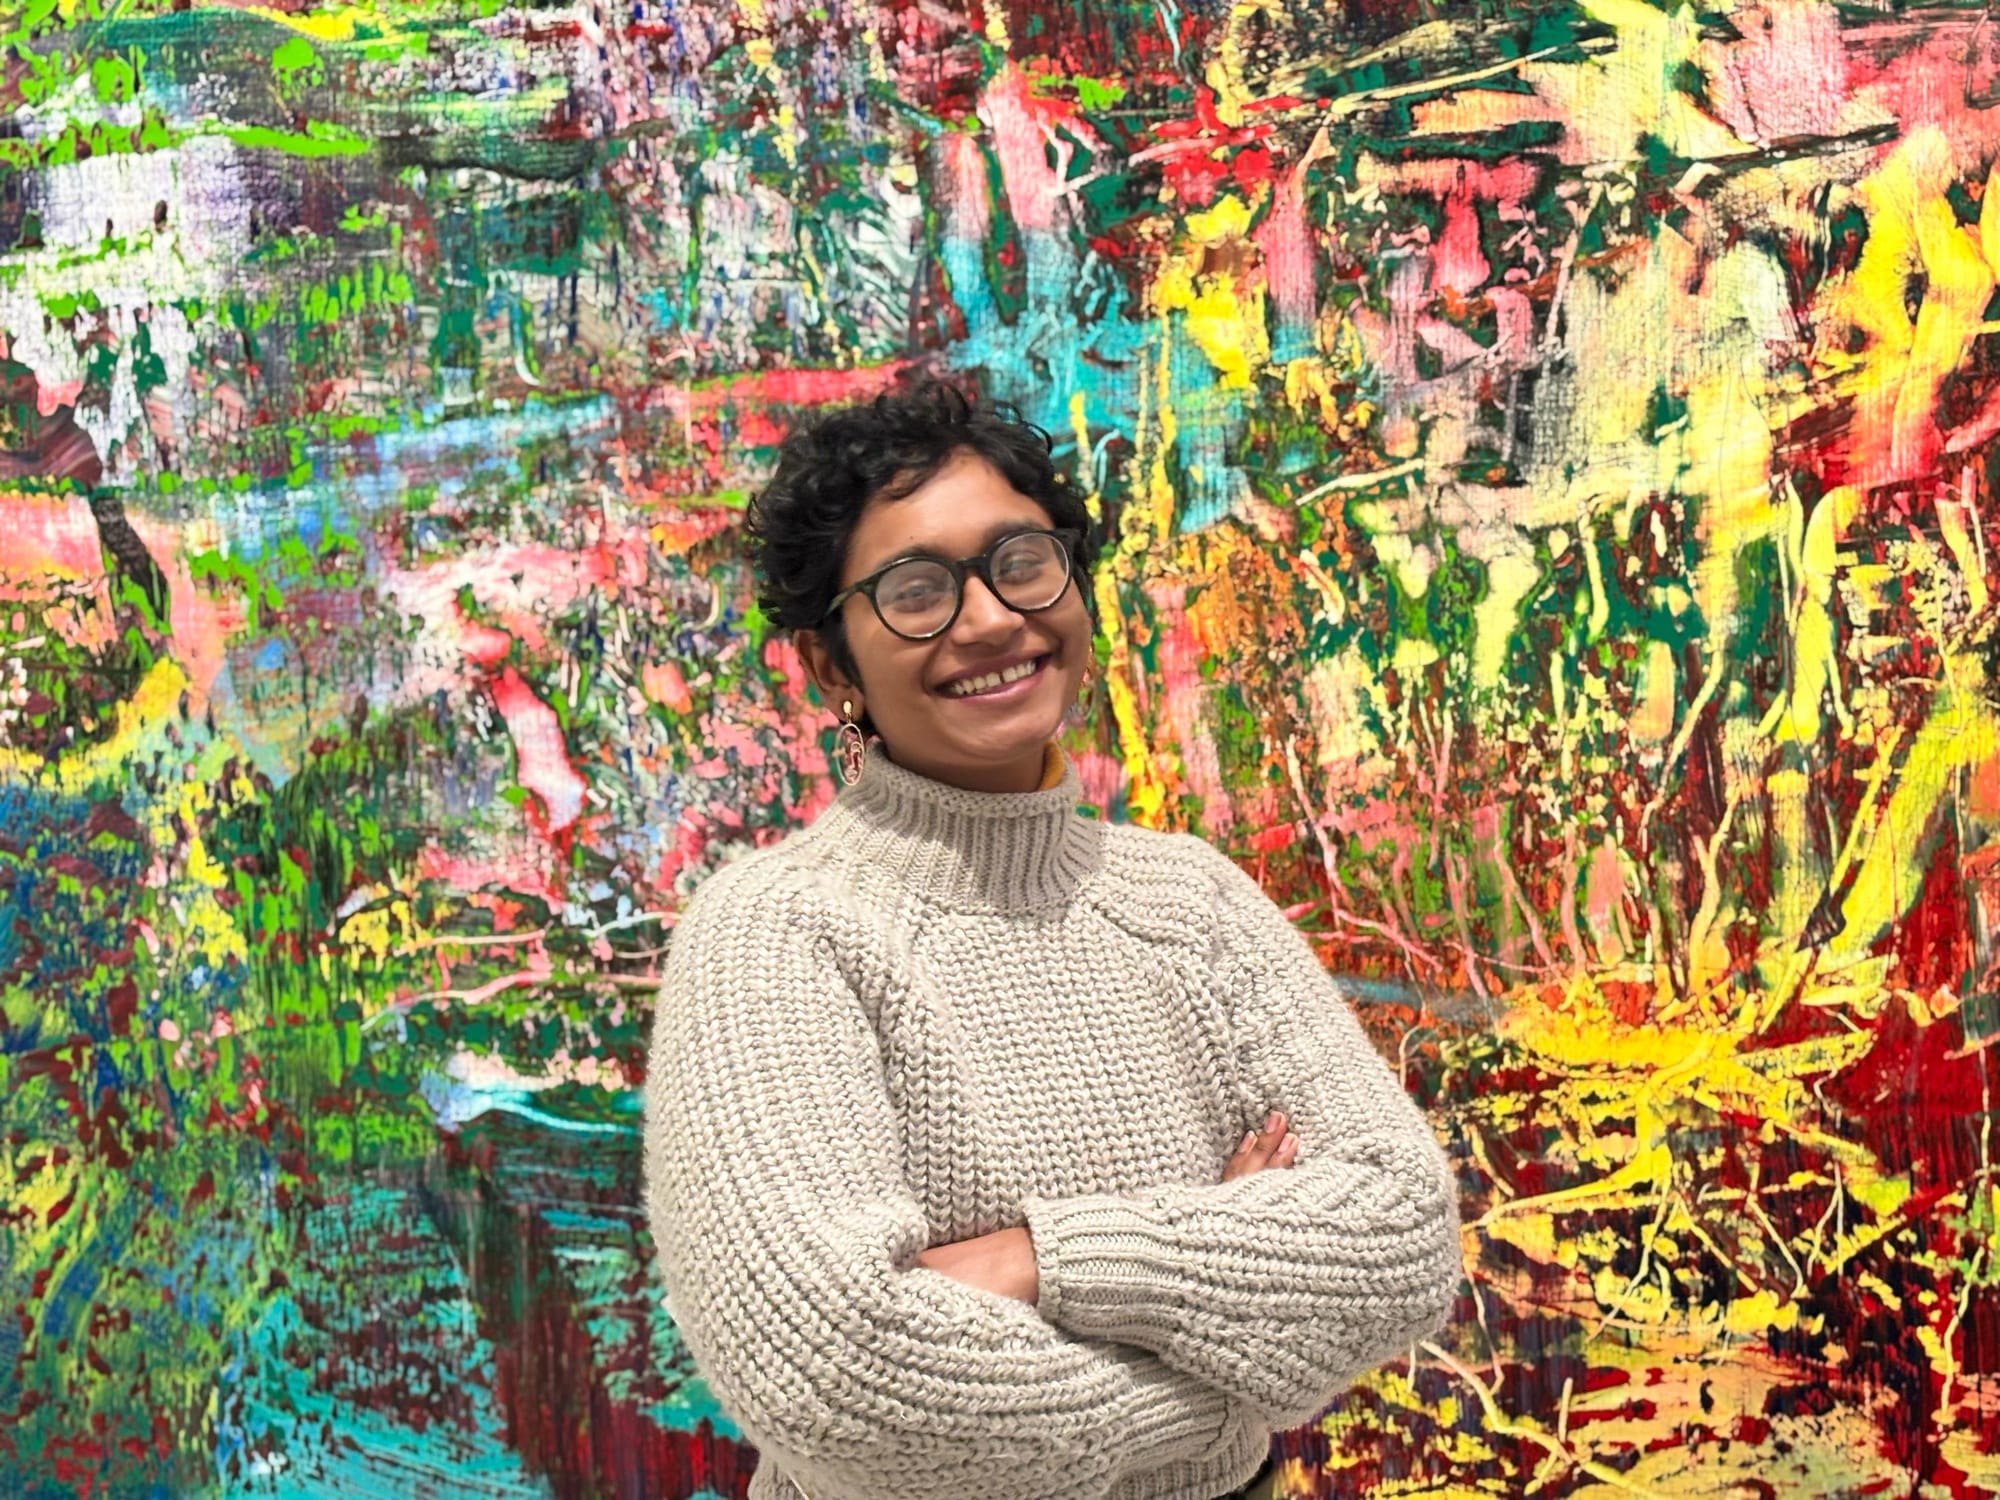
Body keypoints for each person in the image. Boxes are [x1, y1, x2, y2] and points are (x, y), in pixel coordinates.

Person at [642, 383, 1462, 1500]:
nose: (986, 621)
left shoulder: (1189, 904)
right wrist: (1224, 1339)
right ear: (833, 668)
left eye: (1018, 561)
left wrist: (1040, 1261)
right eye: (914, 592)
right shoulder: (779, 934)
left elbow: (1403, 1237)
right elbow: (833, 1375)